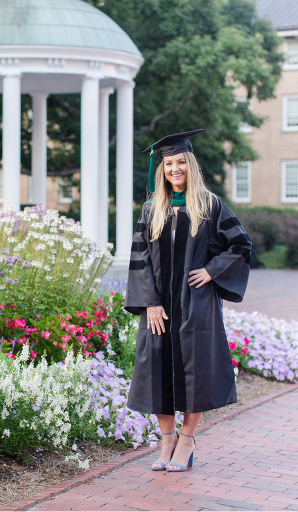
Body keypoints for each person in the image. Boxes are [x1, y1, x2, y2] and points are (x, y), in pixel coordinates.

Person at [124, 129, 252, 472]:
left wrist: (211, 270)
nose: (175, 169)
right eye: (169, 163)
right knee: (157, 371)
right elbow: (140, 259)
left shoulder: (209, 205)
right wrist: (149, 302)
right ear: (162, 168)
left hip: (196, 304)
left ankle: (187, 439)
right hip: (160, 306)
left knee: (195, 372)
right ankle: (166, 441)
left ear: (190, 165)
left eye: (181, 162)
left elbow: (240, 245)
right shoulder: (152, 209)